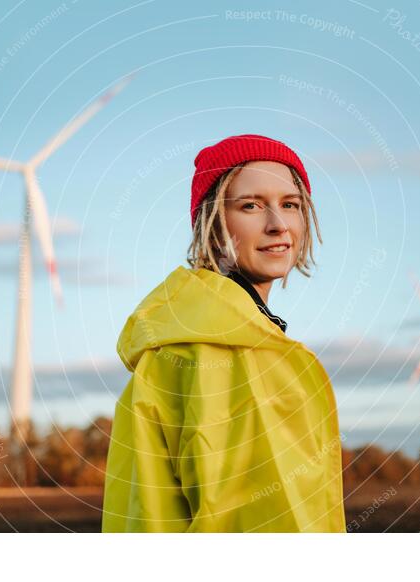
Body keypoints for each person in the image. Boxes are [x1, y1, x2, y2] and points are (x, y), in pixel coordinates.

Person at [101, 134, 346, 532]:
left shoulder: (173, 340)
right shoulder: (226, 350)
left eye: (290, 205)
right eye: (251, 206)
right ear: (211, 224)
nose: (278, 224)